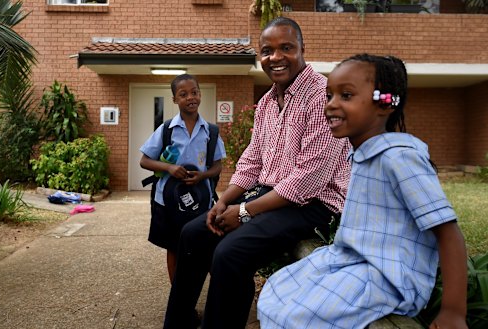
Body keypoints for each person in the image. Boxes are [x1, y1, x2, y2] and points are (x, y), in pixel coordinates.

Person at [163, 17, 351, 329]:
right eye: (267, 50)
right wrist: (224, 202)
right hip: (269, 194)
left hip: (313, 204)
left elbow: (310, 178)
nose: (275, 57)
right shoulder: (266, 101)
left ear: (303, 49)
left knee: (229, 253)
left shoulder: (322, 96)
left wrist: (246, 211)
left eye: (286, 48)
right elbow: (252, 159)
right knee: (193, 234)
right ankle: (178, 322)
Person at [257, 54, 468, 329]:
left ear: (384, 103)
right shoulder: (360, 155)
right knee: (277, 290)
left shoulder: (398, 158)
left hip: (388, 277)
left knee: (293, 316)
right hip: (351, 260)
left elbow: (447, 231)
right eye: (329, 95)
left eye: (346, 95)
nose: (331, 105)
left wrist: (453, 310)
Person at [140, 74, 226, 283]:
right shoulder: (166, 129)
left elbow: (217, 166)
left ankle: (196, 292)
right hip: (168, 201)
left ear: (200, 94)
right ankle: (178, 299)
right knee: (174, 247)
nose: (190, 98)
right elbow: (144, 160)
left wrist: (202, 175)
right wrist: (169, 168)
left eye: (194, 92)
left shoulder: (210, 132)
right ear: (174, 99)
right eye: (183, 94)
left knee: (201, 246)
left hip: (200, 201)